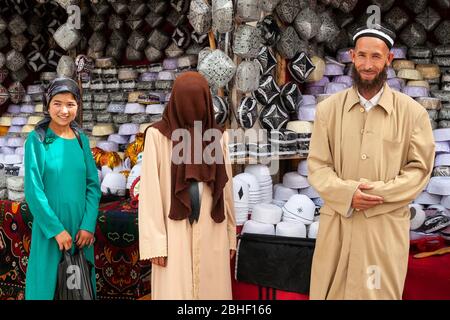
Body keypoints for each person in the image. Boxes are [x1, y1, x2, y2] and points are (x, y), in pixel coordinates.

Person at [307, 24, 435, 299]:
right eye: (362, 56)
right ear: (352, 57)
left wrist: (375, 195)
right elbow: (317, 165)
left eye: (376, 57)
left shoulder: (412, 113)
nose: (368, 64)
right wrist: (347, 194)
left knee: (376, 292)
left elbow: (419, 170)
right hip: (337, 226)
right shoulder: (328, 110)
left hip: (383, 229)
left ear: (389, 60)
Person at [138, 71, 236, 300]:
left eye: (198, 100)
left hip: (212, 227)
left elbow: (227, 190)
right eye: (186, 99)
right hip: (173, 232)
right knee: (176, 290)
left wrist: (231, 235)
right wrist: (155, 244)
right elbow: (150, 192)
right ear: (176, 100)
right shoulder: (157, 135)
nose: (193, 107)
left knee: (212, 291)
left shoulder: (218, 136)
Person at [24, 77, 101, 300]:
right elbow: (33, 191)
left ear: (78, 106)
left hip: (79, 232)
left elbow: (93, 186)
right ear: (48, 105)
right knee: (47, 289)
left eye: (70, 104)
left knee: (77, 290)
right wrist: (56, 230)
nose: (64, 110)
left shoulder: (81, 140)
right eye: (57, 103)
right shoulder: (37, 140)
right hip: (50, 232)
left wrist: (87, 225)